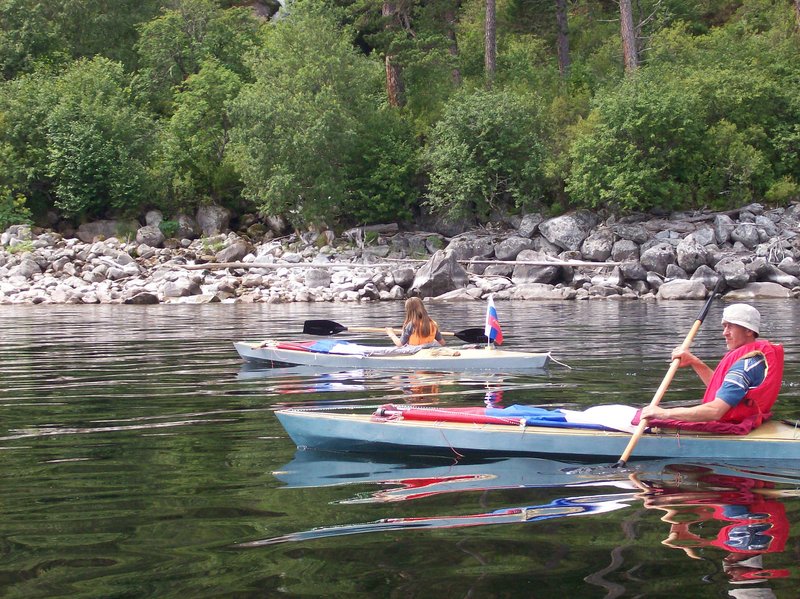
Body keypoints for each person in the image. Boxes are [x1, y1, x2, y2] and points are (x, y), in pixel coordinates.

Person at [641, 304, 784, 430]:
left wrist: (664, 413)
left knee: (648, 416)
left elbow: (715, 411)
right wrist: (694, 362)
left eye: (730, 326)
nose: (725, 333)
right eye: (724, 326)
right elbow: (722, 389)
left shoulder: (745, 365)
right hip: (749, 419)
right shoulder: (754, 358)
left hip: (733, 425)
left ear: (749, 331)